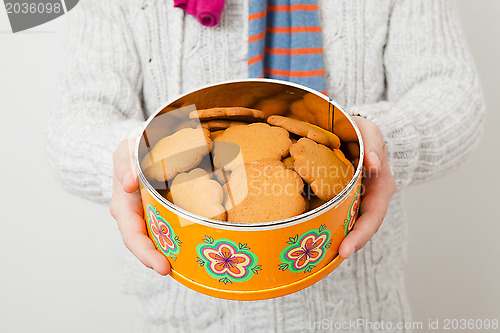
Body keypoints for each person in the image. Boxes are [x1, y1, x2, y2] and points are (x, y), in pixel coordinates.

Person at [46, 0, 485, 331]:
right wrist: (129, 157)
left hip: (360, 312)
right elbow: (74, 121)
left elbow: (453, 96)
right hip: (187, 315)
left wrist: (383, 142)